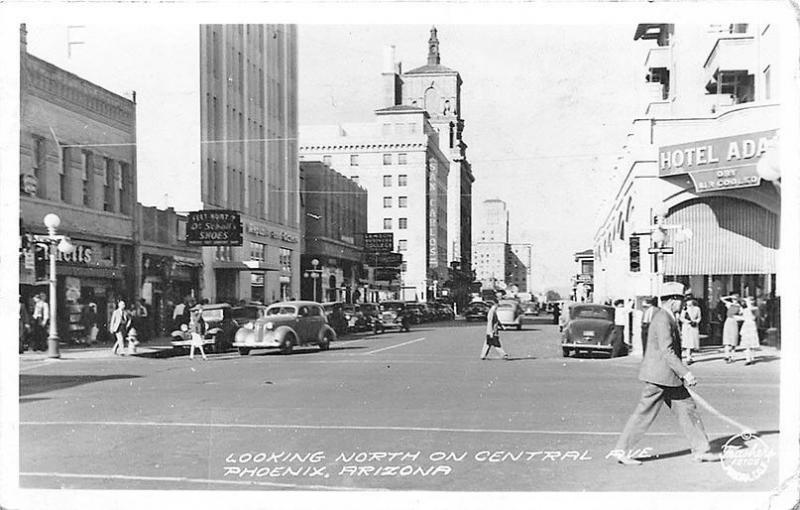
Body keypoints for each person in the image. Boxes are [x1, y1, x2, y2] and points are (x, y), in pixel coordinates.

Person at [611, 286, 718, 465]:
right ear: (673, 299)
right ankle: (621, 451)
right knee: (644, 413)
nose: (684, 304)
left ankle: (701, 450)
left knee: (687, 409)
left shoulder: (667, 317)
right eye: (682, 300)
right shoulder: (663, 319)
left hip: (668, 378)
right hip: (660, 377)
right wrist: (686, 373)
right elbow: (667, 351)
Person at [739, 296, 760, 365]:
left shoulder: (755, 308)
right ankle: (748, 359)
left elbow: (754, 316)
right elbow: (743, 316)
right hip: (746, 325)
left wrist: (747, 302)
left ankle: (752, 357)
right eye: (749, 300)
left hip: (751, 325)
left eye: (751, 301)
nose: (749, 302)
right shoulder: (744, 309)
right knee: (746, 344)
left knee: (752, 344)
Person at [722, 295, 742, 363]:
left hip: (734, 321)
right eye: (733, 299)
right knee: (727, 339)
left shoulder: (739, 306)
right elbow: (722, 299)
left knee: (733, 339)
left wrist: (738, 317)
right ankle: (727, 355)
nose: (734, 300)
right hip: (728, 321)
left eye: (735, 299)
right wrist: (729, 296)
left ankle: (732, 356)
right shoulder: (729, 304)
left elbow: (741, 314)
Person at [680, 299, 701, 365]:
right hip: (687, 327)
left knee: (692, 342)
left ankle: (690, 356)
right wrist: (688, 322)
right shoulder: (684, 309)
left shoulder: (697, 309)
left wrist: (696, 322)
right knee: (688, 342)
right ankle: (688, 357)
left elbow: (699, 317)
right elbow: (681, 318)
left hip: (694, 327)